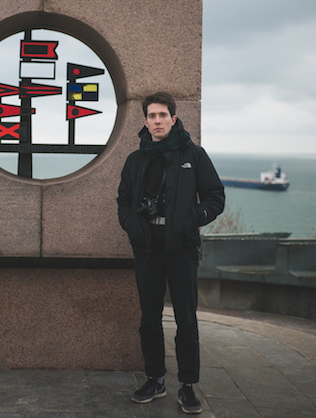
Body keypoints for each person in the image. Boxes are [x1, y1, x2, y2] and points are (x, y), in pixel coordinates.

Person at [117, 91, 225, 415]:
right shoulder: (136, 160)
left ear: (173, 119)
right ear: (146, 121)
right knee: (149, 320)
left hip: (182, 250)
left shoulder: (193, 154)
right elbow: (123, 200)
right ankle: (155, 379)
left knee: (186, 321)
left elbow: (215, 196)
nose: (158, 120)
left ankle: (188, 385)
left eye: (163, 115)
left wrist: (193, 219)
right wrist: (132, 226)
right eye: (152, 116)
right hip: (148, 249)